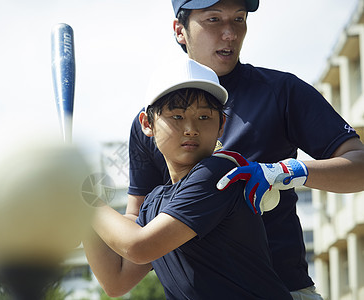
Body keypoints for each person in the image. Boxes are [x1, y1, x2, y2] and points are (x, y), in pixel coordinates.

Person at [126, 0, 364, 298]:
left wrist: (286, 171)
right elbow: (134, 234)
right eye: (213, 20)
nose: (230, 33)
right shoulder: (152, 122)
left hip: (284, 290)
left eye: (239, 19)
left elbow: (359, 166)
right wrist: (83, 212)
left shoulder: (281, 91)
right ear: (180, 30)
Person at [84, 57, 292, 299]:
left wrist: (84, 202)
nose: (191, 128)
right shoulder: (154, 203)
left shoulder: (218, 173)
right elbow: (116, 281)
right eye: (177, 117)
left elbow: (138, 247)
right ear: (147, 123)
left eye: (204, 117)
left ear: (221, 125)